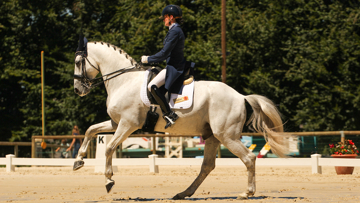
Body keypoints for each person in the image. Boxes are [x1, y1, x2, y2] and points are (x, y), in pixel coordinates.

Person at [141, 5, 186, 129]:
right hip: (173, 64)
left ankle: (169, 114)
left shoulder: (175, 31)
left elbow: (164, 53)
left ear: (171, 17)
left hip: (174, 67)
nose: (163, 20)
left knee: (152, 86)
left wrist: (148, 59)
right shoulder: (174, 30)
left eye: (165, 17)